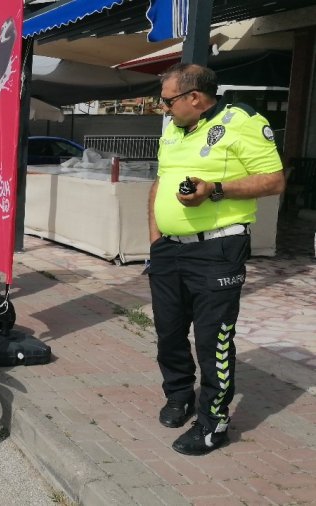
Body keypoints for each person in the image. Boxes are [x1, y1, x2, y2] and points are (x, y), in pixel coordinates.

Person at [148, 63, 285, 456]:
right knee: (169, 332)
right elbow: (160, 181)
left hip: (217, 251)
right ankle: (179, 396)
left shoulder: (239, 121)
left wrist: (215, 189)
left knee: (213, 339)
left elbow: (274, 179)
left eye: (167, 100)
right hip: (169, 249)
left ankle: (214, 422)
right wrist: (155, 236)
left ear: (195, 97)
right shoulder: (173, 130)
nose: (163, 108)